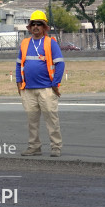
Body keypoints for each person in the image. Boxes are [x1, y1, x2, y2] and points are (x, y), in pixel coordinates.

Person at [16, 10, 65, 158]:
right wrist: (19, 83)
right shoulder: (25, 43)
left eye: (39, 24)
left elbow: (60, 65)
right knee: (32, 121)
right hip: (28, 90)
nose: (36, 27)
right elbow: (19, 64)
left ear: (44, 27)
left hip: (46, 90)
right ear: (30, 28)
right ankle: (34, 147)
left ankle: (56, 147)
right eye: (33, 24)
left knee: (52, 120)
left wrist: (55, 83)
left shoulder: (51, 43)